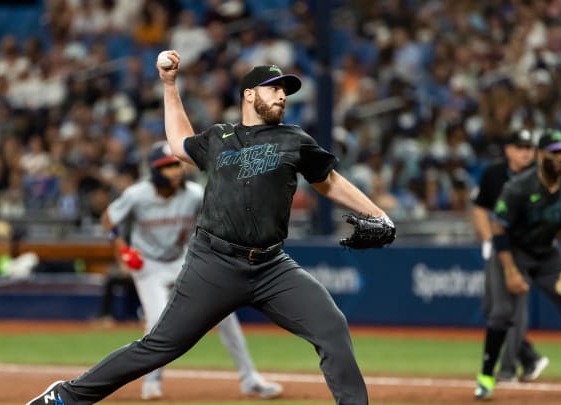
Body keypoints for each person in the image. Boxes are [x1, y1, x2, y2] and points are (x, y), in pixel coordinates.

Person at [27, 54, 394, 405]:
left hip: (272, 266)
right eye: (274, 88)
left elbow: (327, 181)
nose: (282, 95)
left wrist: (379, 214)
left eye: (286, 90)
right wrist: (169, 85)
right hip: (215, 263)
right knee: (160, 347)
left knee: (331, 328)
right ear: (249, 95)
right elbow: (179, 145)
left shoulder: (294, 140)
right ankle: (66, 396)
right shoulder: (219, 138)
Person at [99, 141, 282, 400]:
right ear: (154, 170)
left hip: (181, 259)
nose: (175, 170)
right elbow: (108, 218)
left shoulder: (194, 194)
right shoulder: (137, 195)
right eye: (168, 166)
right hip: (148, 264)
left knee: (225, 314)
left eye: (177, 164)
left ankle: (250, 379)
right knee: (158, 322)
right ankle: (152, 382)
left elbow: (216, 218)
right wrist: (123, 250)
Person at [474, 128, 561, 400]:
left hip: (547, 253)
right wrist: (511, 271)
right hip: (512, 252)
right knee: (501, 313)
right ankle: (486, 377)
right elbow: (498, 228)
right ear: (540, 155)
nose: (560, 158)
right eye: (554, 153)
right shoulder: (519, 187)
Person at [471, 129, 548, 382]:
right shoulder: (494, 174)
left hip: (525, 249)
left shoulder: (539, 175)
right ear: (509, 150)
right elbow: (480, 209)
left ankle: (507, 369)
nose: (526, 151)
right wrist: (487, 241)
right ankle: (530, 357)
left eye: (529, 147)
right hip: (499, 247)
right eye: (520, 146)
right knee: (493, 308)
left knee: (514, 309)